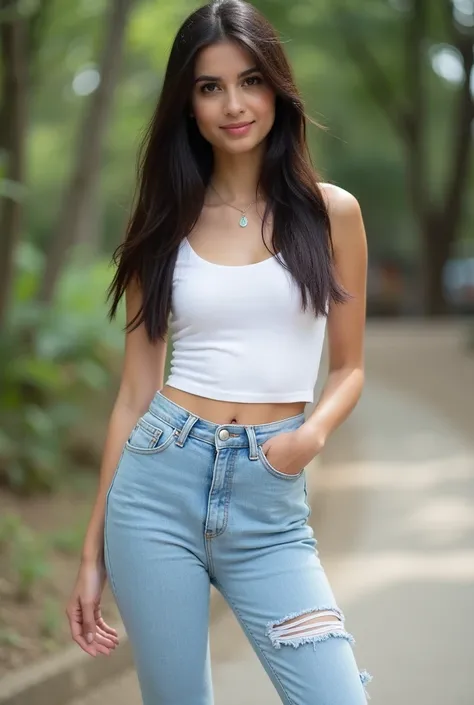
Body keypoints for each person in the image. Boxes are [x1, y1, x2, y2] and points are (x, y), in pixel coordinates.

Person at [66, 1, 371, 703]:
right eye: (210, 87)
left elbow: (350, 366)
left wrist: (309, 436)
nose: (234, 104)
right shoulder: (162, 224)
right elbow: (134, 393)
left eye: (250, 80)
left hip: (270, 500)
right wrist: (92, 554)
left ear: (277, 90)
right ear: (189, 103)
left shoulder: (332, 213)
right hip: (156, 488)